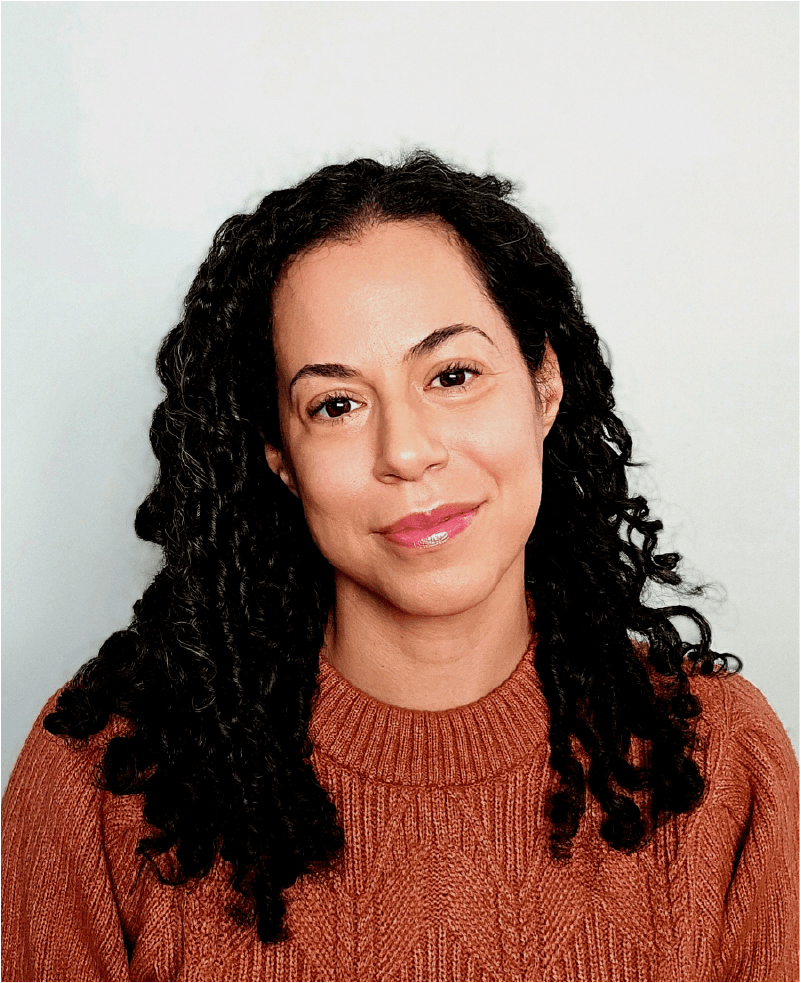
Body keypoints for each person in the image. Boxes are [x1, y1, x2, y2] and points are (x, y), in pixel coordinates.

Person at [1, 151, 798, 983]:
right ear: (279, 454)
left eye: (452, 375)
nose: (406, 452)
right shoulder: (99, 781)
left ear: (543, 385)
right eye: (336, 404)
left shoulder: (721, 761)